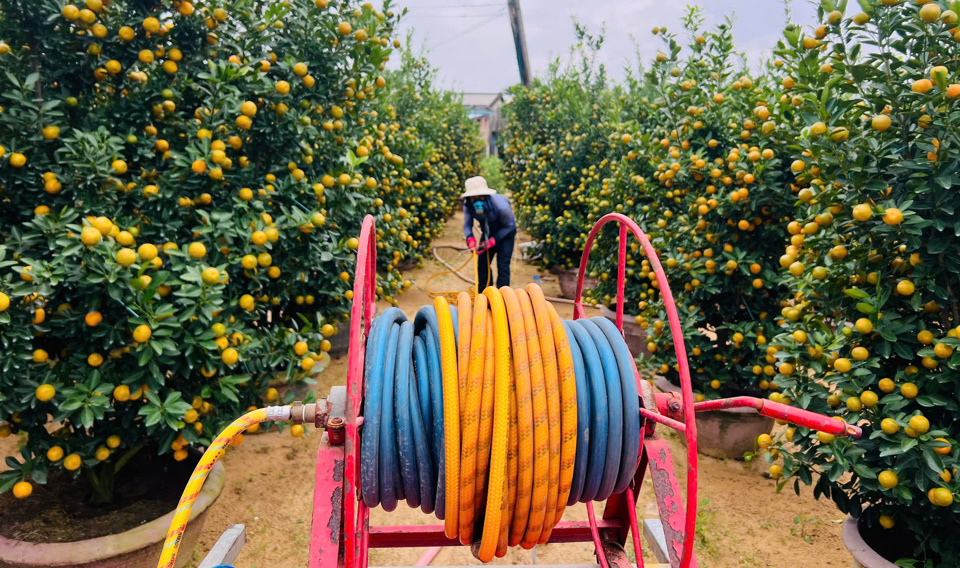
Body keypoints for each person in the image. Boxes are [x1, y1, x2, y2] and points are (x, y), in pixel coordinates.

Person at [461, 176, 516, 291]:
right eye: (473, 197)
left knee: (503, 265)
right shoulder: (468, 206)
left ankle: (503, 298)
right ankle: (485, 295)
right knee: (482, 264)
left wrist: (494, 240)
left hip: (506, 233)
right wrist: (470, 238)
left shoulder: (501, 206)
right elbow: (467, 225)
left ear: (486, 196)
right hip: (488, 231)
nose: (476, 200)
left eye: (480, 197)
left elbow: (510, 226)